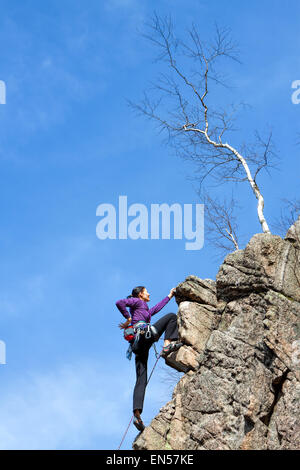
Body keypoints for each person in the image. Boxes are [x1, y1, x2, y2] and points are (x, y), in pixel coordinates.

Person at [116, 286, 182, 432]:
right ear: (140, 295)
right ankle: (166, 345)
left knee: (141, 379)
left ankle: (137, 414)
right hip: (144, 336)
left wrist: (169, 296)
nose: (149, 293)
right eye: (146, 291)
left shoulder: (143, 309)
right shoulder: (138, 303)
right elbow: (119, 302)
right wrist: (128, 317)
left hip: (138, 347)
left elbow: (156, 309)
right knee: (171, 317)